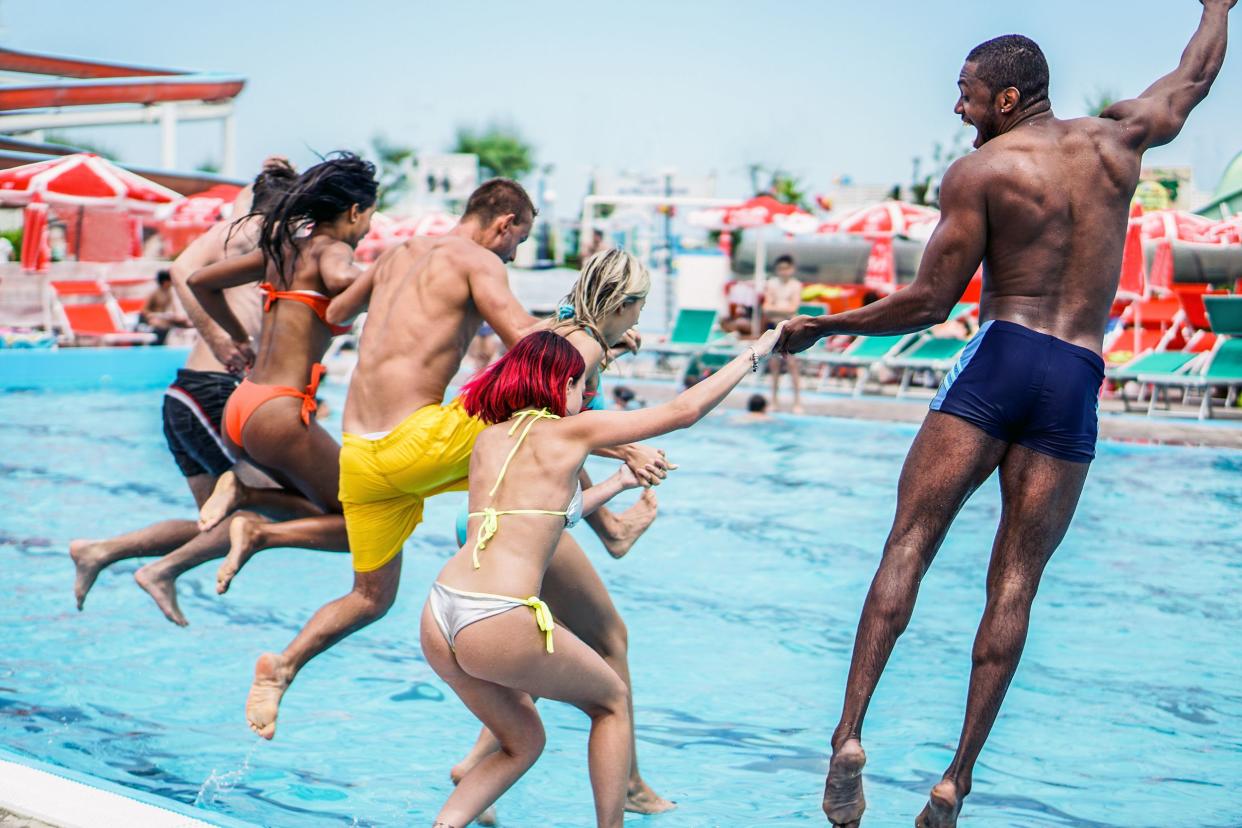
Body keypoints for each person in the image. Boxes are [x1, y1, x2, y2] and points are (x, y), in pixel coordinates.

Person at [778, 10, 1233, 826]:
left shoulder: (982, 171)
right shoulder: (1117, 142)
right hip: (1074, 374)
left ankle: (847, 736)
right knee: (1017, 584)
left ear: (1007, 96)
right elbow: (1192, 82)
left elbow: (928, 302)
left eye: (966, 95)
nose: (958, 109)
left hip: (1003, 357)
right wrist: (1218, 9)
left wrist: (825, 325)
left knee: (909, 544)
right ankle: (957, 778)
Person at [423, 325, 784, 828]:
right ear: (559, 385)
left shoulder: (491, 438)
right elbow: (682, 413)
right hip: (497, 615)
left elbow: (536, 516)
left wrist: (616, 481)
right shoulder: (571, 430)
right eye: (579, 386)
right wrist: (755, 353)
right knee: (611, 701)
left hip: (441, 611)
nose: (584, 395)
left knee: (522, 742)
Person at [69, 158, 308, 622]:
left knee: (217, 524)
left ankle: (100, 551)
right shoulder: (259, 234)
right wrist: (221, 338)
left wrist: (275, 180)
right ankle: (163, 572)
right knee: (278, 509)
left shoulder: (237, 227)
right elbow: (182, 270)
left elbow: (247, 207)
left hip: (187, 395)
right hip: (214, 392)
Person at [184, 152, 378, 599]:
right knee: (365, 526)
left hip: (244, 405)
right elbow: (341, 275)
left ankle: (244, 495)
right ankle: (255, 528)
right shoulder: (333, 249)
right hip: (279, 414)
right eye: (368, 217)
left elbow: (200, 282)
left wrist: (237, 337)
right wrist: (388, 273)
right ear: (353, 212)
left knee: (321, 509)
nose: (367, 228)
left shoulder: (282, 251)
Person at [764, 255, 804, 413]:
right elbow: (766, 308)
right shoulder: (771, 284)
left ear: (792, 269)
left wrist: (776, 307)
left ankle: (797, 402)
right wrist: (783, 307)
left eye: (786, 268)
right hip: (775, 328)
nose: (783, 272)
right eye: (780, 269)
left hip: (791, 329)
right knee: (774, 366)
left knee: (792, 365)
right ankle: (774, 401)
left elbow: (793, 308)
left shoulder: (796, 285)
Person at [139, 270, 188, 344]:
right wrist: (154, 315)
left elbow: (173, 308)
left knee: (184, 321)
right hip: (155, 318)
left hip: (165, 317)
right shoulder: (154, 293)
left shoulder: (169, 292)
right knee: (161, 324)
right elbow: (144, 310)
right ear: (165, 282)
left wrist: (175, 316)